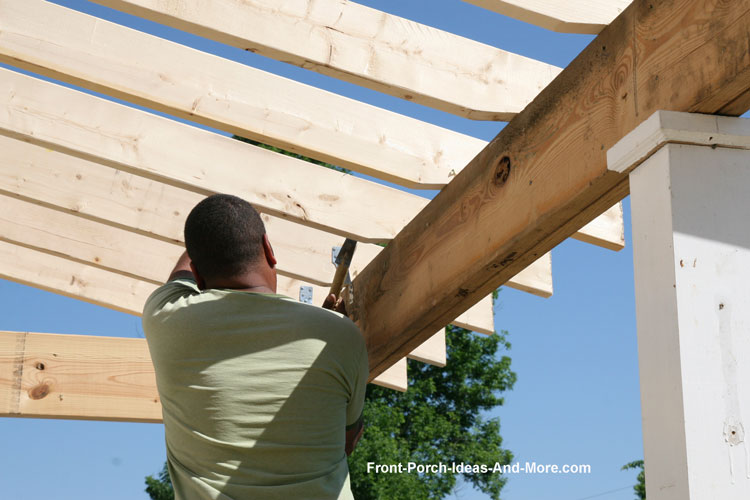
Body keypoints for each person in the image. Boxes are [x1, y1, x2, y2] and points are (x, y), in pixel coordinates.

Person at [142, 194, 368, 499]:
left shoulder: (165, 318)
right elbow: (347, 440)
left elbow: (178, 278)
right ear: (269, 250)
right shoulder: (340, 335)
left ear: (198, 274)